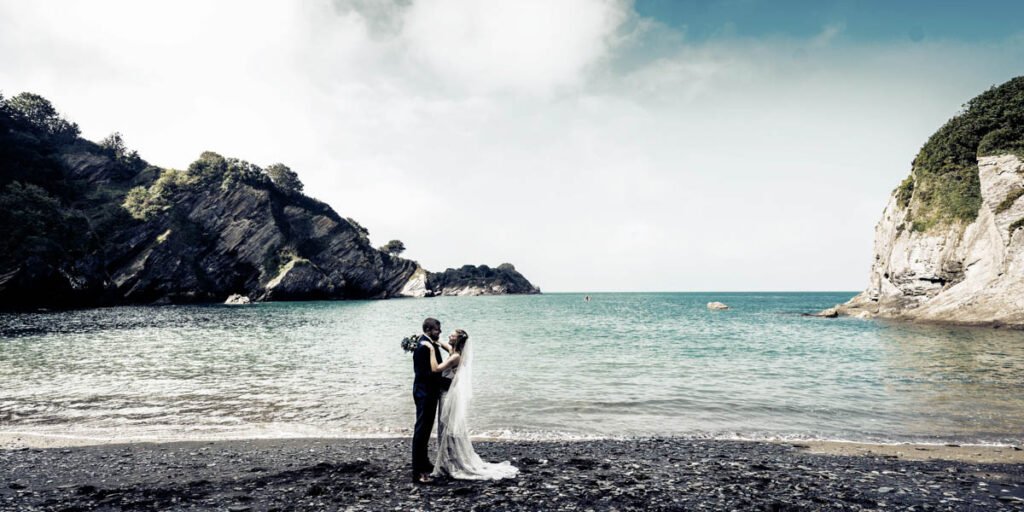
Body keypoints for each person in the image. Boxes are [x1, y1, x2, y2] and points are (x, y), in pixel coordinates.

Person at [425, 329, 519, 480]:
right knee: (447, 427)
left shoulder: (455, 356)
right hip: (449, 392)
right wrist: (434, 341)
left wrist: (430, 350)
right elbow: (445, 346)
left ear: (458, 340)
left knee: (447, 427)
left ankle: (448, 462)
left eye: (452, 335)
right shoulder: (455, 352)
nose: (449, 336)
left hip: (448, 395)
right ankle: (448, 459)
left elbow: (436, 369)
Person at [411, 317, 447, 484]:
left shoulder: (430, 344)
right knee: (421, 431)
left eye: (439, 329)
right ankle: (418, 472)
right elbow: (425, 374)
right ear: (428, 329)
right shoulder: (423, 347)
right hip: (424, 393)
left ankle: (424, 462)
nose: (439, 332)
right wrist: (446, 382)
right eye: (436, 329)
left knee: (425, 430)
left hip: (429, 392)